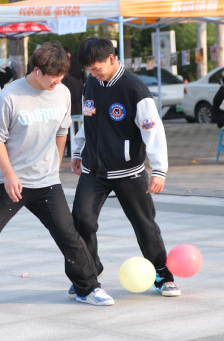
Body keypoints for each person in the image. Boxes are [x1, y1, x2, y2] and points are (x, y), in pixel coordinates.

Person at [0, 43, 114, 307]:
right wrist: (9, 175)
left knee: (69, 235)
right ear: (37, 71)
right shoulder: (10, 96)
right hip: (10, 183)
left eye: (62, 76)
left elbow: (62, 131)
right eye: (54, 77)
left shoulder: (61, 92)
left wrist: (55, 164)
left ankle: (87, 287)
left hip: (46, 181)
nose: (58, 82)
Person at [70, 37, 180, 297]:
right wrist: (78, 149)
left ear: (111, 59)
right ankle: (89, 273)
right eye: (89, 70)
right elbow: (87, 120)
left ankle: (163, 275)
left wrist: (159, 170)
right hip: (93, 171)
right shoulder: (91, 83)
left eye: (96, 68)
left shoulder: (135, 89)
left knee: (144, 224)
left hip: (128, 172)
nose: (93, 73)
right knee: (81, 221)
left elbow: (153, 131)